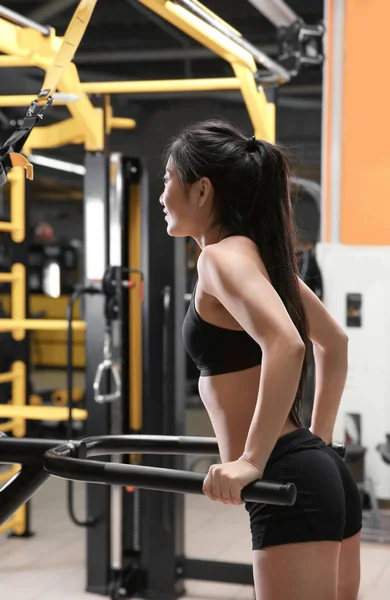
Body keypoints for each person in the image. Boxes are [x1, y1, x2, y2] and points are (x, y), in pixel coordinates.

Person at [160, 119, 362, 600]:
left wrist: (252, 459)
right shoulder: (256, 258)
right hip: (313, 469)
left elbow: (289, 344)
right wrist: (323, 442)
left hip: (288, 478)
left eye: (169, 179)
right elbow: (333, 343)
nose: (163, 195)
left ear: (202, 190)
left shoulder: (220, 260)